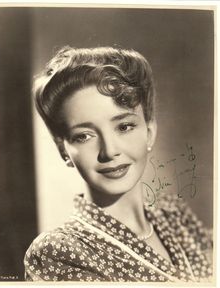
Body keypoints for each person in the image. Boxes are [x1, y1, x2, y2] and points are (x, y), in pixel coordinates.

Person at [24, 46, 213, 282]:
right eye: (83, 135)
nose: (110, 151)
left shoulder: (176, 216)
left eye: (124, 127)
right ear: (64, 150)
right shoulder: (58, 252)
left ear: (150, 132)